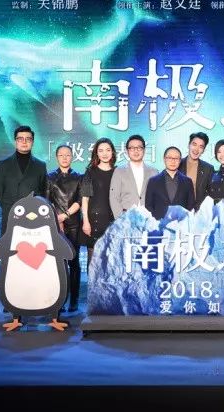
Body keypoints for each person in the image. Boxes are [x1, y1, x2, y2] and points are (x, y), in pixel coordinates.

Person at [46, 145, 83, 313]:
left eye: (67, 155)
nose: (64, 158)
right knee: (57, 264)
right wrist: (57, 219)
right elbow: (47, 202)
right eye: (61, 155)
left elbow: (80, 201)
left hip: (74, 224)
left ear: (72, 157)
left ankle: (74, 300)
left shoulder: (79, 177)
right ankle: (58, 300)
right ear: (56, 157)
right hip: (55, 225)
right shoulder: (50, 177)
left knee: (74, 262)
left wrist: (65, 215)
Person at [0, 125, 47, 234]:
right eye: (20, 139)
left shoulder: (40, 165)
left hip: (33, 215)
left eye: (28, 139)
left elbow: (43, 191)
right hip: (10, 213)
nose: (24, 142)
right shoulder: (3, 164)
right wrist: (8, 207)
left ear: (32, 142)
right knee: (10, 243)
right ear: (15, 142)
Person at [81, 138, 116, 268]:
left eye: (108, 150)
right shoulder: (90, 172)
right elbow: (85, 199)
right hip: (94, 220)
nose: (104, 153)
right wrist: (86, 221)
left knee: (110, 260)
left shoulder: (118, 171)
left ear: (112, 152)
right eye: (101, 150)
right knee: (93, 261)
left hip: (113, 219)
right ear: (96, 153)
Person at [109, 134, 158, 218]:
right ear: (127, 151)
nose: (136, 151)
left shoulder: (154, 172)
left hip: (148, 218)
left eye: (139, 148)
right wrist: (121, 219)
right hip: (126, 218)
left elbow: (157, 198)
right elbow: (114, 197)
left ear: (144, 150)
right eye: (132, 148)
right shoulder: (119, 171)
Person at [145, 146, 195, 220]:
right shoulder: (153, 181)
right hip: (159, 224)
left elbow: (191, 206)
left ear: (180, 160)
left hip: (181, 224)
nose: (173, 161)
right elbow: (148, 207)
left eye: (176, 158)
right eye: (169, 158)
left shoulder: (188, 181)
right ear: (164, 159)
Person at [179, 132, 214, 210]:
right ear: (189, 145)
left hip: (199, 212)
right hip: (179, 211)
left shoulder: (208, 168)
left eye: (201, 147)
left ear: (203, 150)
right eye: (194, 144)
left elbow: (211, 194)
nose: (196, 149)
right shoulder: (177, 164)